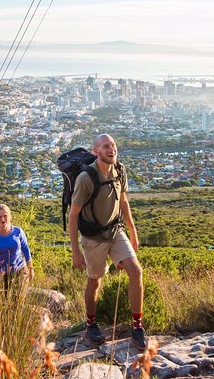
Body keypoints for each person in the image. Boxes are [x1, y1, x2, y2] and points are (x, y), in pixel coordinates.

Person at [68, 134, 148, 351]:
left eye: (113, 145)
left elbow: (123, 202)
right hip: (93, 238)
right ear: (96, 151)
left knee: (136, 271)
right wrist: (75, 250)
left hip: (115, 230)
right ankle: (91, 324)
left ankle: (137, 327)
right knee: (95, 280)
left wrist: (133, 231)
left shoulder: (120, 171)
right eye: (106, 146)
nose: (112, 149)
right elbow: (73, 215)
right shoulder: (86, 179)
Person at [0, 204, 33, 288]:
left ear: (9, 216)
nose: (3, 219)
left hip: (19, 271)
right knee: (4, 300)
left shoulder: (18, 232)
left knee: (18, 299)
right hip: (1, 275)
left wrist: (31, 268)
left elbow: (26, 250)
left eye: (5, 216)